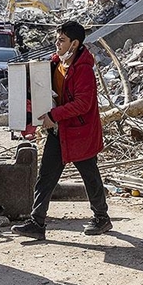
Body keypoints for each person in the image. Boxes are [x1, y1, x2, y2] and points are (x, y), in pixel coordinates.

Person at [11, 21, 111, 240]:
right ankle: (37, 222)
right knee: (46, 175)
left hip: (78, 132)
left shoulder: (83, 69)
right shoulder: (57, 63)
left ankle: (102, 218)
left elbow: (82, 104)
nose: (57, 44)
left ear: (74, 44)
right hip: (59, 131)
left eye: (62, 40)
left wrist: (53, 116)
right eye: (57, 39)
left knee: (89, 175)